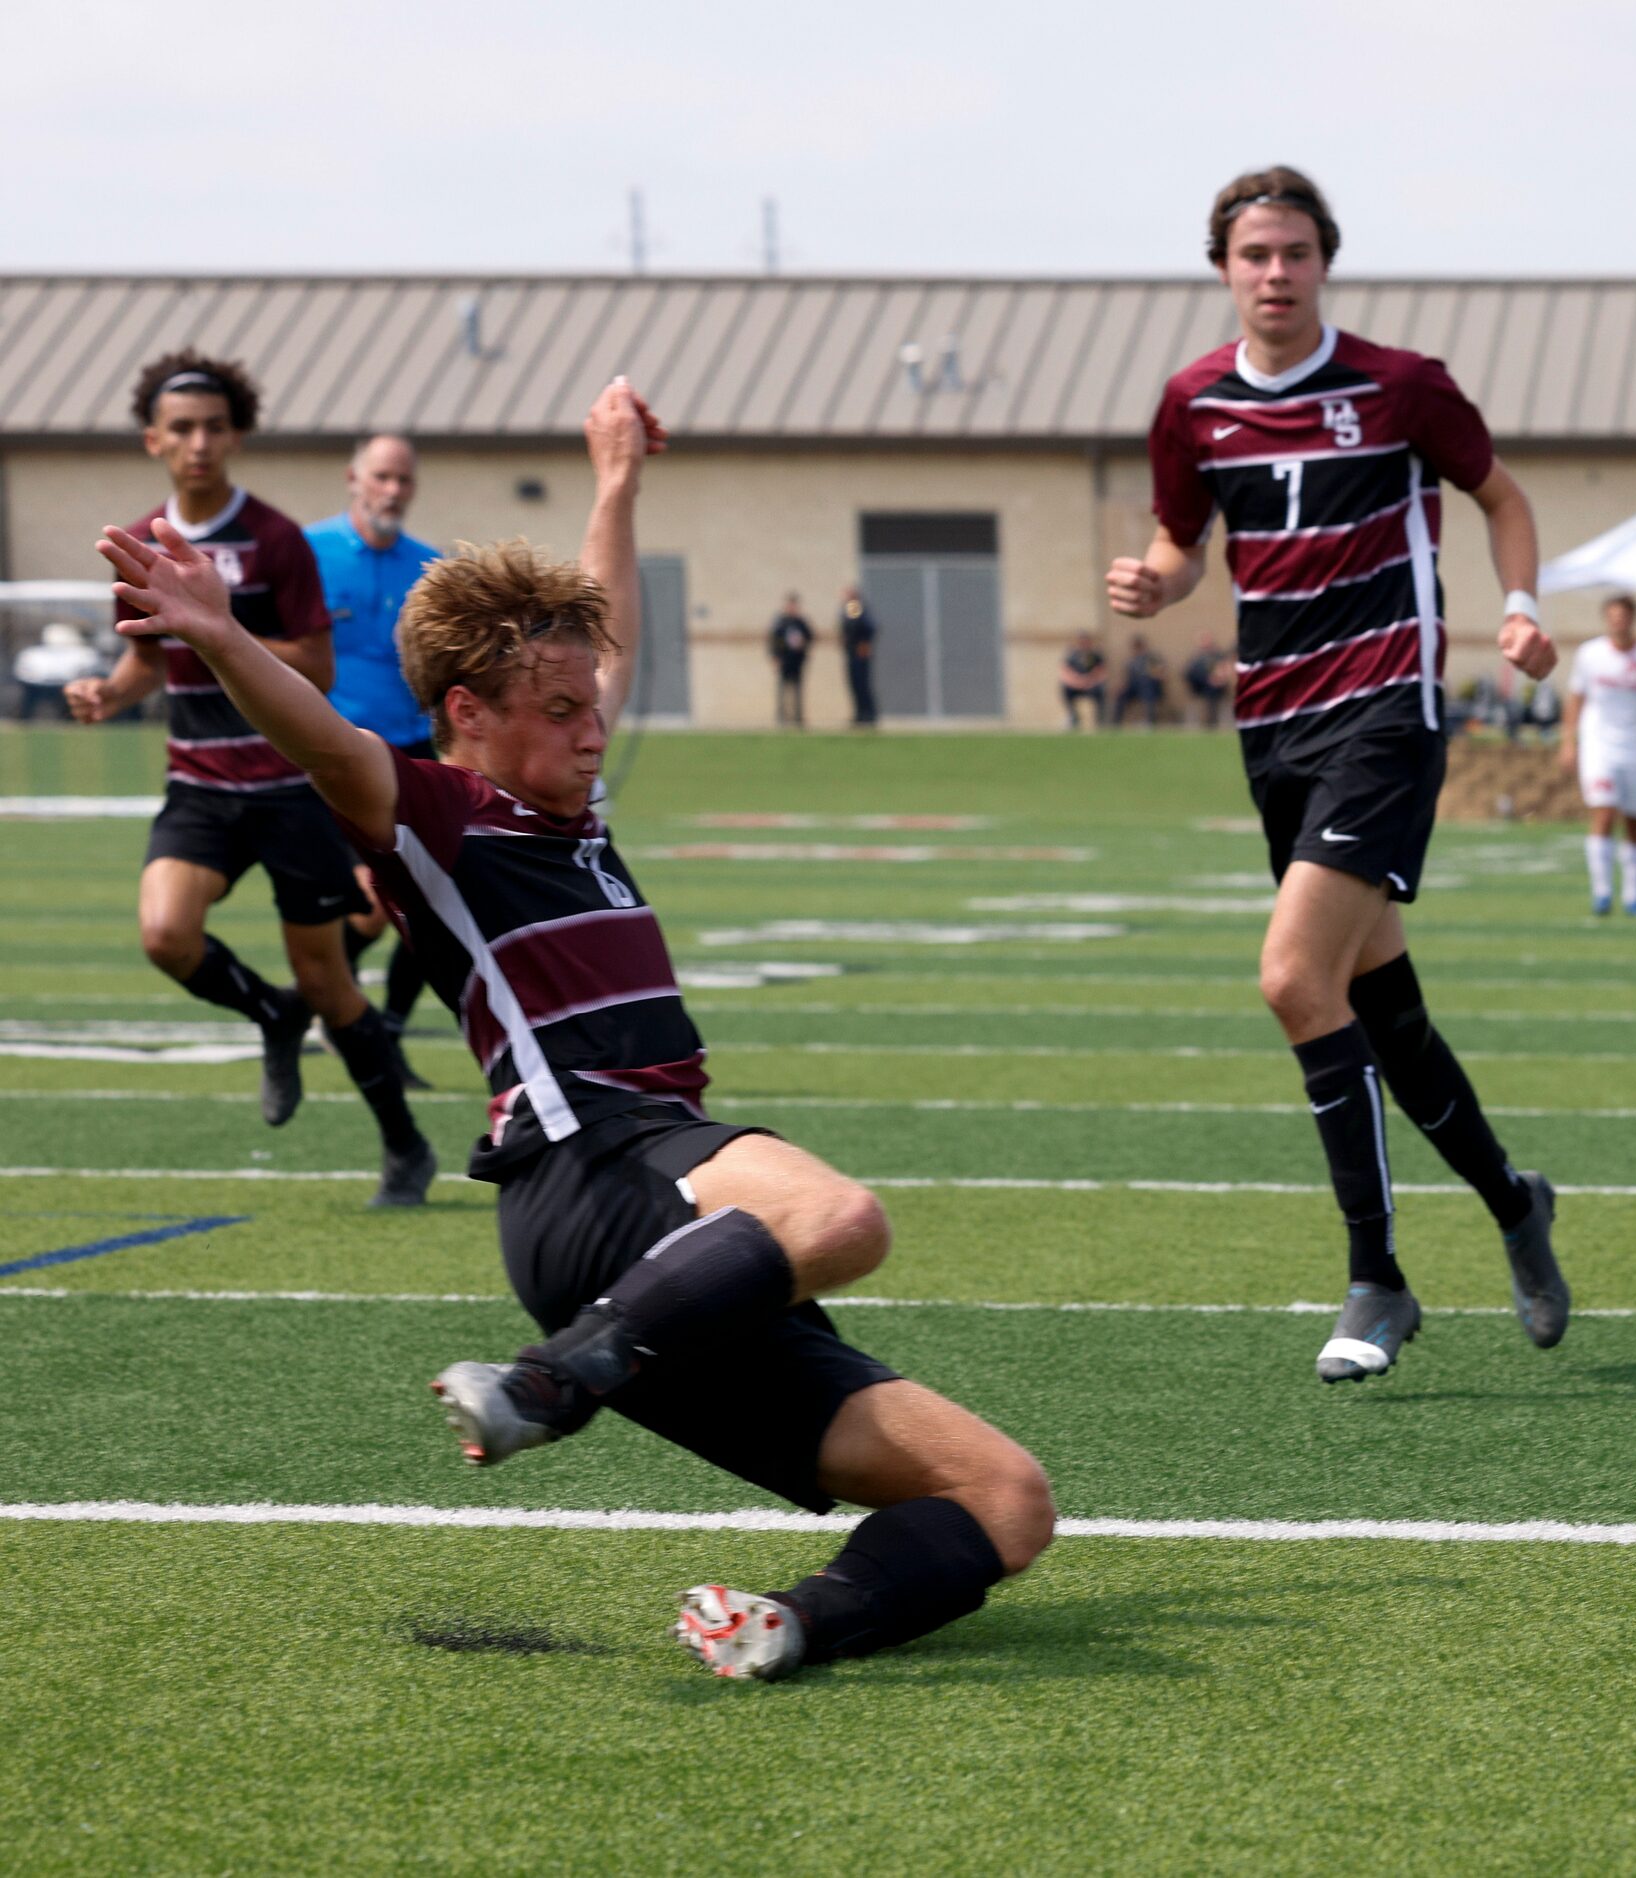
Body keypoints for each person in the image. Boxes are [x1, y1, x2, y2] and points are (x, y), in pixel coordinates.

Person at [99, 378, 1053, 1683]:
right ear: (470, 715)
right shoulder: (437, 809)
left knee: (1008, 1497)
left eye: (595, 707)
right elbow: (323, 741)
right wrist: (218, 635)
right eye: (562, 711)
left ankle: (786, 1625)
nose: (594, 725)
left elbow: (604, 637)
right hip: (591, 1163)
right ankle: (548, 1382)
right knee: (840, 1220)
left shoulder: (576, 810)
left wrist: (615, 480)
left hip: (653, 1255)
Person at [1107, 164, 1570, 1383]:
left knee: (1289, 978)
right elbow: (1183, 540)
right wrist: (1158, 580)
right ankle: (1513, 1200)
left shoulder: (1401, 386)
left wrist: (1519, 609)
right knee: (1380, 1012)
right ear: (1222, 267)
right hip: (1272, 728)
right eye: (1254, 255)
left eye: (1295, 253)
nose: (1274, 274)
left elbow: (1501, 497)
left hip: (1385, 717)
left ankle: (1377, 1279)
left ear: (1324, 263)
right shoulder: (1191, 403)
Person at [65, 349, 431, 1207]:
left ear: (237, 436)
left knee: (329, 981)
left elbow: (318, 662)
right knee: (165, 936)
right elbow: (145, 666)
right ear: (154, 439)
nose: (199, 442)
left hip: (284, 788)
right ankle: (271, 1016)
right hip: (198, 785)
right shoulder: (139, 544)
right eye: (182, 428)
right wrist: (107, 693)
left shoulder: (274, 540)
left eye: (215, 427)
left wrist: (218, 628)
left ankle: (405, 1148)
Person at [309, 433, 442, 1092]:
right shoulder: (309, 555)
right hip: (332, 754)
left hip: (412, 753)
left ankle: (383, 1029)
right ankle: (325, 993)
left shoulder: (431, 569)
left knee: (429, 902)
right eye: (382, 477)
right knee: (369, 904)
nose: (393, 490)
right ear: (353, 478)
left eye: (404, 480)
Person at [1562, 594, 1636, 917]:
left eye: (1623, 616)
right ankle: (1602, 893)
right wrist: (1569, 741)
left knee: (1635, 822)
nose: (1617, 622)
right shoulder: (1590, 654)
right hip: (1599, 747)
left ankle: (1634, 896)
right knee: (1604, 814)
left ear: (1633, 618)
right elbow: (1575, 700)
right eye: (1612, 616)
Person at [769, 595, 813, 727]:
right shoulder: (781, 622)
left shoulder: (801, 622)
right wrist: (775, 657)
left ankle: (798, 718)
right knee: (782, 691)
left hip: (797, 662)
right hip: (784, 661)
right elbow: (774, 641)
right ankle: (782, 718)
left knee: (798, 691)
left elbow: (810, 637)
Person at [839, 586, 878, 728]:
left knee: (862, 684)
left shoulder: (857, 608)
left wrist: (864, 643)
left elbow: (868, 627)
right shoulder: (849, 609)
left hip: (859, 654)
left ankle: (868, 714)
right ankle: (859, 714)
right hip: (851, 652)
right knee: (854, 684)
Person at [1114, 632, 1168, 726]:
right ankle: (1116, 723)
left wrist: (1151, 674)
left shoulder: (1152, 657)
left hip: (1151, 687)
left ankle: (1150, 722)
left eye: (1139, 645)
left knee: (1146, 685)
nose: (1137, 648)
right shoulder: (1131, 661)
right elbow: (1126, 678)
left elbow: (1161, 674)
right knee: (1121, 694)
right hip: (1134, 687)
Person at [1059, 632, 1107, 729]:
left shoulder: (1095, 655)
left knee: (1101, 690)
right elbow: (1065, 672)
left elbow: (1102, 672)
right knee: (1065, 689)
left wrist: (1090, 681)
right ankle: (1074, 717)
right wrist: (1078, 681)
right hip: (1076, 686)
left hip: (1091, 685)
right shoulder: (1072, 655)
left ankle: (1100, 721)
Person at [1183, 633, 1233, 727]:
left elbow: (1225, 670)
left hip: (1218, 689)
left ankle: (1214, 723)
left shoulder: (1219, 656)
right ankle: (1206, 723)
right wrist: (1207, 680)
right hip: (1200, 689)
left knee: (1214, 697)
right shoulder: (1196, 658)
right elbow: (1189, 673)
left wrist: (1219, 679)